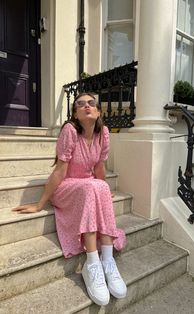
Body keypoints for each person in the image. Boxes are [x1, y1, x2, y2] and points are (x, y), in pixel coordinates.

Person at [12, 93, 127, 306]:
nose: (86, 106)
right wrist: (40, 204)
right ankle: (92, 263)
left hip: (87, 186)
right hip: (66, 187)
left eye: (91, 103)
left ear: (98, 111)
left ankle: (107, 260)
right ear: (75, 113)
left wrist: (103, 190)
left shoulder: (103, 133)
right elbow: (60, 170)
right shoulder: (70, 131)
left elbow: (99, 168)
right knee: (93, 186)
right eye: (80, 104)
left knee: (97, 185)